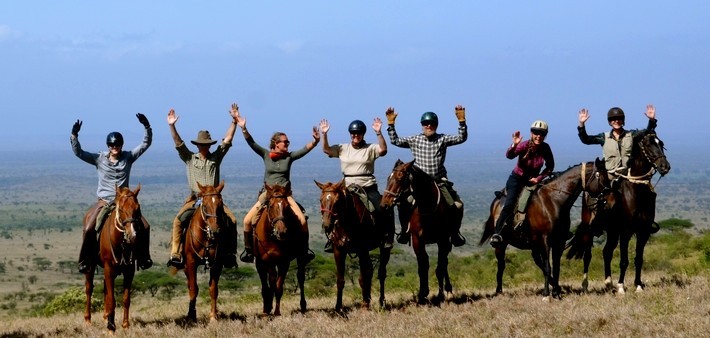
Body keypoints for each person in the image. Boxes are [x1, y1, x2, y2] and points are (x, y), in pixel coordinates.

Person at [71, 113, 153, 273]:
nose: (114, 148)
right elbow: (79, 153)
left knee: (145, 226)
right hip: (104, 202)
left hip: (123, 203)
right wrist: (74, 135)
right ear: (108, 146)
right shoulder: (99, 159)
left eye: (117, 146)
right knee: (89, 228)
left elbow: (145, 144)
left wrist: (147, 127)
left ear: (121, 146)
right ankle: (85, 260)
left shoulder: (128, 157)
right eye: (111, 146)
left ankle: (144, 258)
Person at [236, 112, 319, 263]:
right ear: (276, 143)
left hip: (285, 196)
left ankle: (304, 250)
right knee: (247, 220)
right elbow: (251, 143)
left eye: (288, 142)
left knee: (302, 220)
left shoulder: (289, 157)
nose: (287, 144)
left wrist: (315, 141)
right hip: (267, 195)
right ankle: (249, 251)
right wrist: (243, 128)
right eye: (285, 142)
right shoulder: (266, 154)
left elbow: (304, 150)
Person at [166, 104, 240, 268]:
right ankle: (176, 252)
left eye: (206, 144)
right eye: (201, 144)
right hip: (195, 198)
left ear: (210, 145)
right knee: (178, 221)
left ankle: (229, 253)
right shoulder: (189, 158)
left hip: (214, 199)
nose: (204, 146)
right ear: (197, 145)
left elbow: (227, 141)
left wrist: (234, 122)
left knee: (232, 220)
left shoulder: (216, 158)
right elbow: (178, 143)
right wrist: (172, 125)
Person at [385, 105, 467, 246]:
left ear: (436, 125)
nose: (429, 126)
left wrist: (461, 122)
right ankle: (405, 231)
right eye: (426, 124)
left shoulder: (443, 139)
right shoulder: (415, 140)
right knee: (402, 203)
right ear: (422, 126)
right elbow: (395, 141)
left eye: (432, 124)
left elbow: (461, 138)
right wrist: (391, 125)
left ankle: (454, 233)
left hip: (439, 180)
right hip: (418, 182)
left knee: (457, 205)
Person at [319, 117, 394, 253]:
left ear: (363, 134)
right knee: (332, 207)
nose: (355, 136)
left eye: (358, 133)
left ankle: (386, 236)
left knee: (383, 207)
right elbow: (327, 150)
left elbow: (383, 150)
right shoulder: (343, 148)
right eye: (353, 133)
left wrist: (378, 133)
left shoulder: (370, 148)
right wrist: (324, 134)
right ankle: (331, 238)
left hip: (367, 187)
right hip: (347, 187)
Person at [490, 120, 555, 246]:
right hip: (517, 179)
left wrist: (539, 178)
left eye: (542, 133)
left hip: (534, 180)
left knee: (549, 200)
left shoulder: (545, 148)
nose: (538, 136)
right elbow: (509, 156)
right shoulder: (524, 145)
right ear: (531, 133)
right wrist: (514, 145)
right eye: (536, 133)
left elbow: (550, 166)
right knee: (509, 204)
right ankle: (497, 233)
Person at [578, 105, 657, 181]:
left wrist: (651, 120)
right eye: (613, 119)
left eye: (619, 118)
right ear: (610, 122)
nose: (616, 121)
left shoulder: (631, 135)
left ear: (623, 120)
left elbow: (646, 133)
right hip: (609, 175)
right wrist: (581, 124)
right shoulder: (603, 137)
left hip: (628, 175)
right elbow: (586, 140)